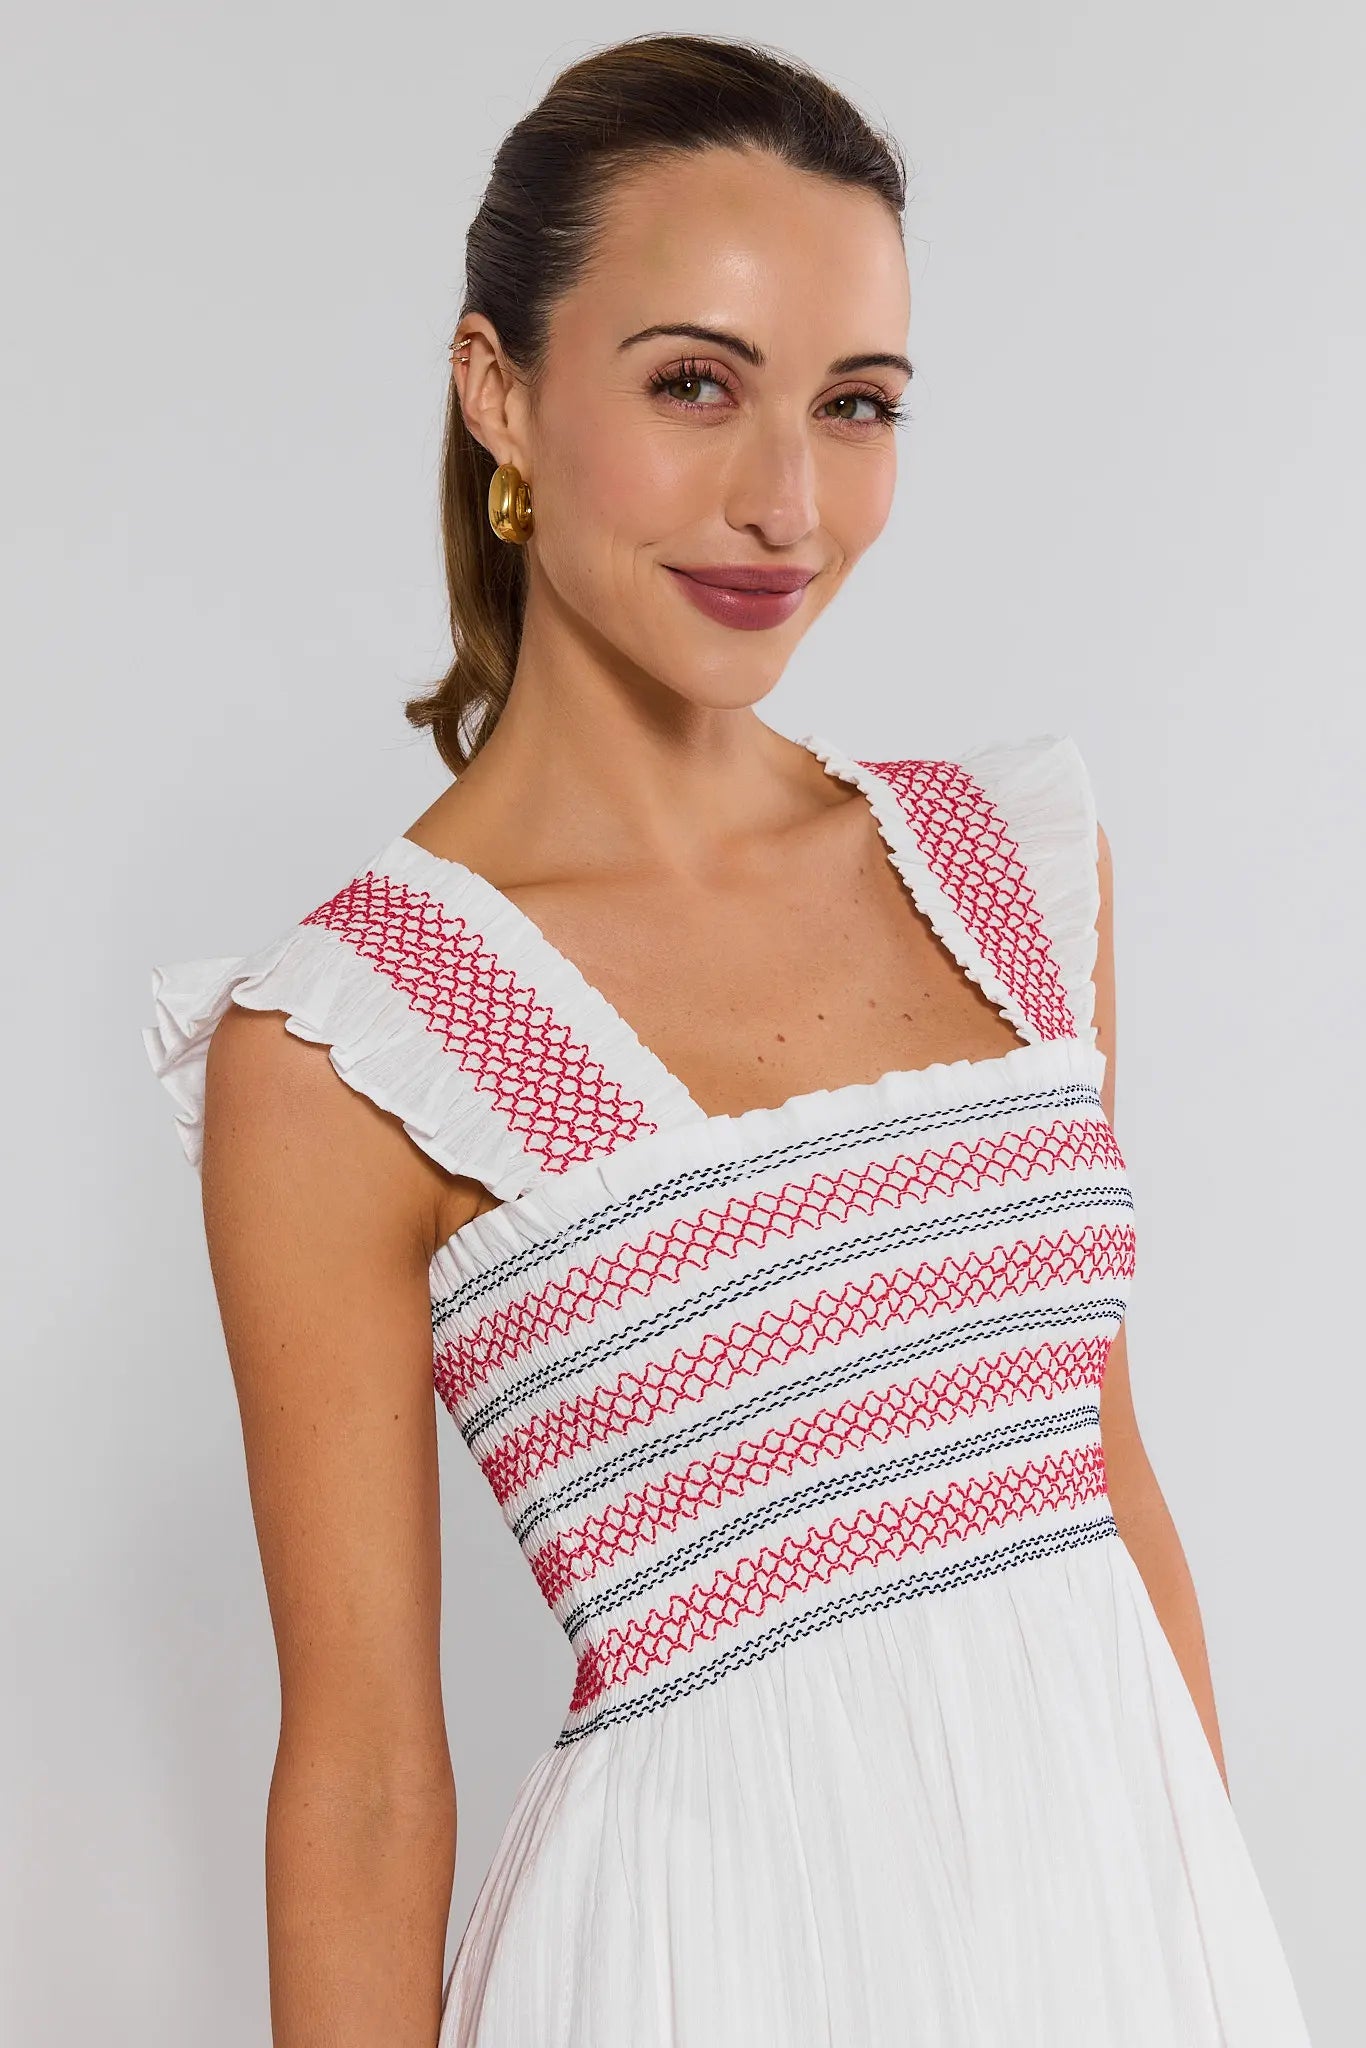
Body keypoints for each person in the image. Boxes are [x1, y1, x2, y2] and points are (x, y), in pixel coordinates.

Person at [142, 31, 1313, 2048]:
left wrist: (1200, 1928)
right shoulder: (341, 1044)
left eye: (853, 406)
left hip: (1120, 1950)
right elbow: (358, 1783)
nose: (783, 501)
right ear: (496, 384)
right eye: (693, 383)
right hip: (699, 1973)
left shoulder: (1009, 872)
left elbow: (1099, 1478)